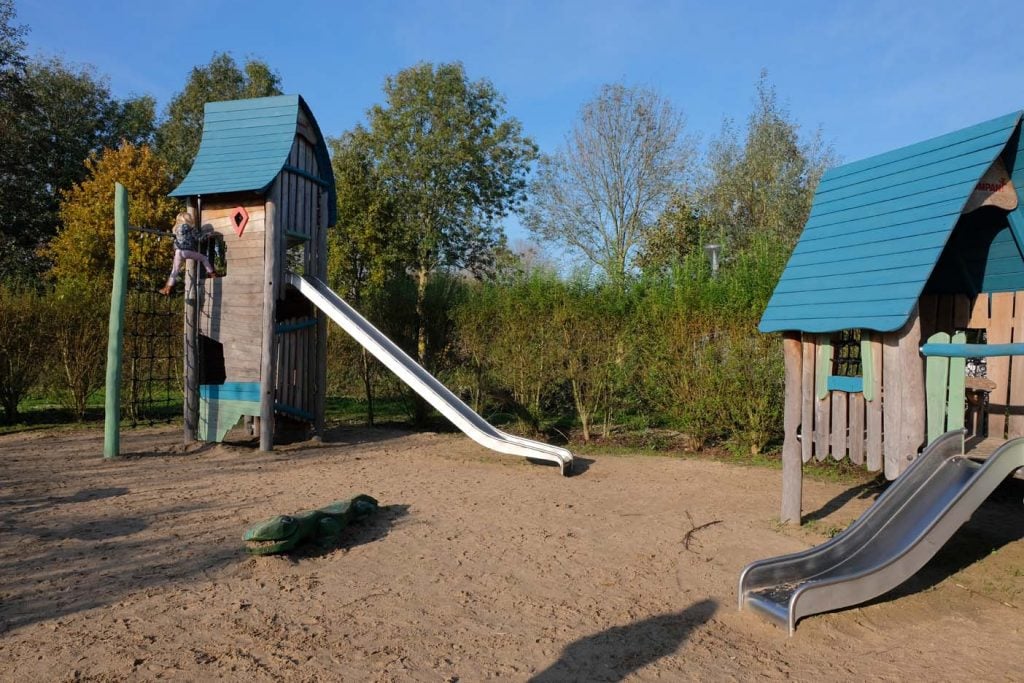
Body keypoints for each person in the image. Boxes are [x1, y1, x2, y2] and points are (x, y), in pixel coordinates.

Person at [159, 211, 218, 295]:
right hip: (188, 251)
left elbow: (174, 241)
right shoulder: (191, 229)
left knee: (175, 270)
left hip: (178, 252)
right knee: (204, 258)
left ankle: (167, 288)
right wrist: (208, 235)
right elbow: (199, 239)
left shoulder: (175, 229)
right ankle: (212, 274)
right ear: (189, 220)